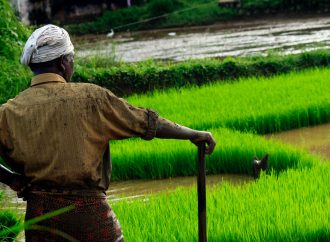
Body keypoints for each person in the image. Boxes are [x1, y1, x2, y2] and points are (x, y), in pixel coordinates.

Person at [0, 24, 216, 242]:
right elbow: (145, 122)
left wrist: (11, 180)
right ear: (63, 62)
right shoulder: (91, 97)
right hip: (89, 215)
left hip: (40, 219)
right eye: (71, 58)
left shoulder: (9, 111)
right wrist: (193, 133)